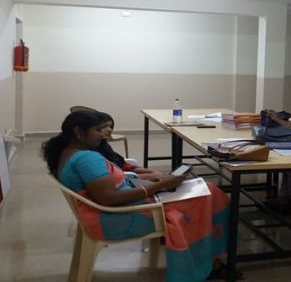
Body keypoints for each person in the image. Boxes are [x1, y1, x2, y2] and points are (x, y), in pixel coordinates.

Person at [43, 111, 236, 281]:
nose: (103, 134)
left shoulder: (69, 153)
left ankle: (209, 258)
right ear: (78, 132)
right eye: (97, 130)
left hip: (108, 210)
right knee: (206, 194)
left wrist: (150, 182)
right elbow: (109, 198)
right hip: (116, 217)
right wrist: (161, 185)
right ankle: (207, 263)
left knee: (205, 190)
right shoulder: (86, 158)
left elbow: (108, 189)